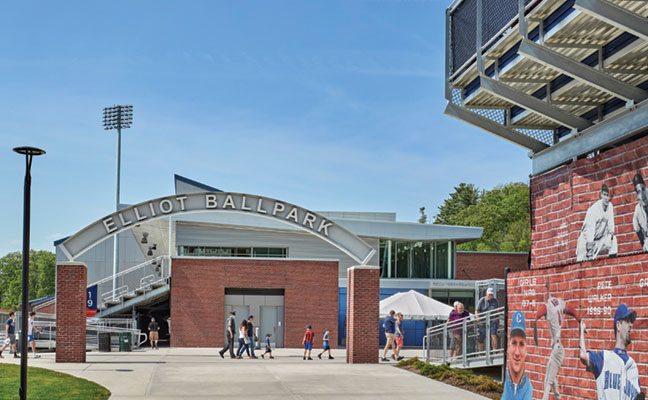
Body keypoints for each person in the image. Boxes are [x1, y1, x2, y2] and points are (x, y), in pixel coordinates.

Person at [580, 304, 643, 400]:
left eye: (631, 321)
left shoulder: (633, 367)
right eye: (627, 321)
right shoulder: (604, 358)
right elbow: (583, 355)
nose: (631, 325)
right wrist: (581, 330)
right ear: (618, 325)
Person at [533, 280, 583, 400]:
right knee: (552, 375)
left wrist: (535, 319)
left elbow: (539, 313)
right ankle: (558, 397)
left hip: (558, 348)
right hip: (557, 347)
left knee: (548, 380)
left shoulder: (548, 307)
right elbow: (571, 310)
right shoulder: (559, 302)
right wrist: (579, 318)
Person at [576, 183, 618, 261]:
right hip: (586, 241)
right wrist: (590, 250)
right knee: (583, 264)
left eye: (608, 195)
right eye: (605, 195)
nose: (606, 198)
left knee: (613, 240)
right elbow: (590, 231)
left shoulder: (610, 206)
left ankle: (613, 263)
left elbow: (611, 227)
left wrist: (610, 234)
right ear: (601, 195)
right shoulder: (594, 210)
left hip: (599, 240)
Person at [502, 311, 532, 400]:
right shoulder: (504, 383)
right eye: (514, 343)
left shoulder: (529, 389)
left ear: (526, 350)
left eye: (521, 344)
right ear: (508, 347)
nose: (517, 353)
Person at [476, 288, 499, 352]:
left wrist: (498, 320)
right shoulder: (482, 300)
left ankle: (495, 351)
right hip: (483, 321)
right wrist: (477, 318)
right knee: (481, 336)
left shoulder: (495, 301)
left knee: (493, 334)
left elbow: (497, 311)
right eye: (489, 294)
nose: (490, 296)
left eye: (491, 294)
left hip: (492, 320)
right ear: (486, 294)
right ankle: (480, 352)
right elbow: (477, 310)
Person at [633, 174, 648, 252]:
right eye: (639, 192)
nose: (642, 195)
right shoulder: (638, 209)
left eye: (643, 189)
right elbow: (636, 227)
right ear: (637, 195)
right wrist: (643, 243)